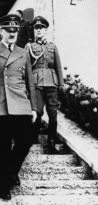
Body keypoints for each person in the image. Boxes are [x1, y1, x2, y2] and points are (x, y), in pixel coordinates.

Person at [0, 14, 37, 200]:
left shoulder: (23, 53)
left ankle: (11, 170)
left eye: (15, 31)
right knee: (0, 147)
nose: (12, 34)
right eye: (8, 30)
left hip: (21, 103)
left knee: (26, 140)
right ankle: (2, 185)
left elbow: (30, 82)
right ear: (1, 31)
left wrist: (34, 107)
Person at [26, 16, 63, 152]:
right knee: (38, 111)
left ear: (46, 30)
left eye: (41, 28)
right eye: (36, 28)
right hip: (36, 83)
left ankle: (51, 142)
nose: (39, 31)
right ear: (34, 31)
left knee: (53, 112)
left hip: (52, 83)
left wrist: (61, 84)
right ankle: (33, 139)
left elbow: (58, 66)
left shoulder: (52, 46)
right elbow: (27, 66)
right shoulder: (29, 46)